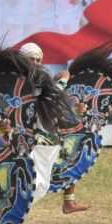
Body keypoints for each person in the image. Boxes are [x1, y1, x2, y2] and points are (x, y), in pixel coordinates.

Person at [19, 43, 88, 213]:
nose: (35, 63)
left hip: (47, 142)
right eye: (30, 59)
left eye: (38, 59)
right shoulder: (18, 81)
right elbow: (45, 100)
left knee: (42, 185)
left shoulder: (41, 78)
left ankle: (68, 200)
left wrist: (74, 111)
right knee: (33, 186)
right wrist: (62, 81)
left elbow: (53, 106)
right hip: (25, 141)